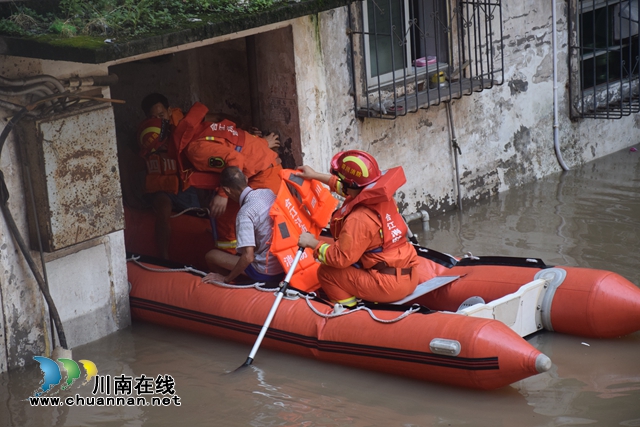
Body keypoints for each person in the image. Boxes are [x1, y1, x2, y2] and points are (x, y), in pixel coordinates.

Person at [296, 150, 419, 307]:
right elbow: (346, 187)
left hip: (388, 285)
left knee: (327, 272)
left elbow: (340, 259)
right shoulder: (381, 197)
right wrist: (314, 175)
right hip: (410, 276)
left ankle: (349, 311)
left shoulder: (359, 218)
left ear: (351, 185)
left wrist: (312, 243)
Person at [173, 101, 283, 252]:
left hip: (260, 177)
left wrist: (222, 195)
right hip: (258, 173)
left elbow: (235, 159)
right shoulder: (206, 130)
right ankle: (232, 261)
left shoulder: (195, 148)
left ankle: (231, 265)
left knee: (235, 223)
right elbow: (242, 143)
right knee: (226, 221)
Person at [137, 94, 200, 260]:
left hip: (184, 185)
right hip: (161, 187)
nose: (158, 120)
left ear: (169, 111)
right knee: (163, 207)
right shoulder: (146, 135)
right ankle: (163, 257)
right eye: (153, 117)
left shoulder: (181, 126)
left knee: (202, 210)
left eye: (161, 115)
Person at [202, 166, 285, 284]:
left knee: (211, 256)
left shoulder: (245, 213)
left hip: (265, 271)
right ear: (246, 179)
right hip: (283, 264)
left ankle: (230, 282)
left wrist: (226, 278)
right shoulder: (267, 192)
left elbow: (248, 257)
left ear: (227, 190)